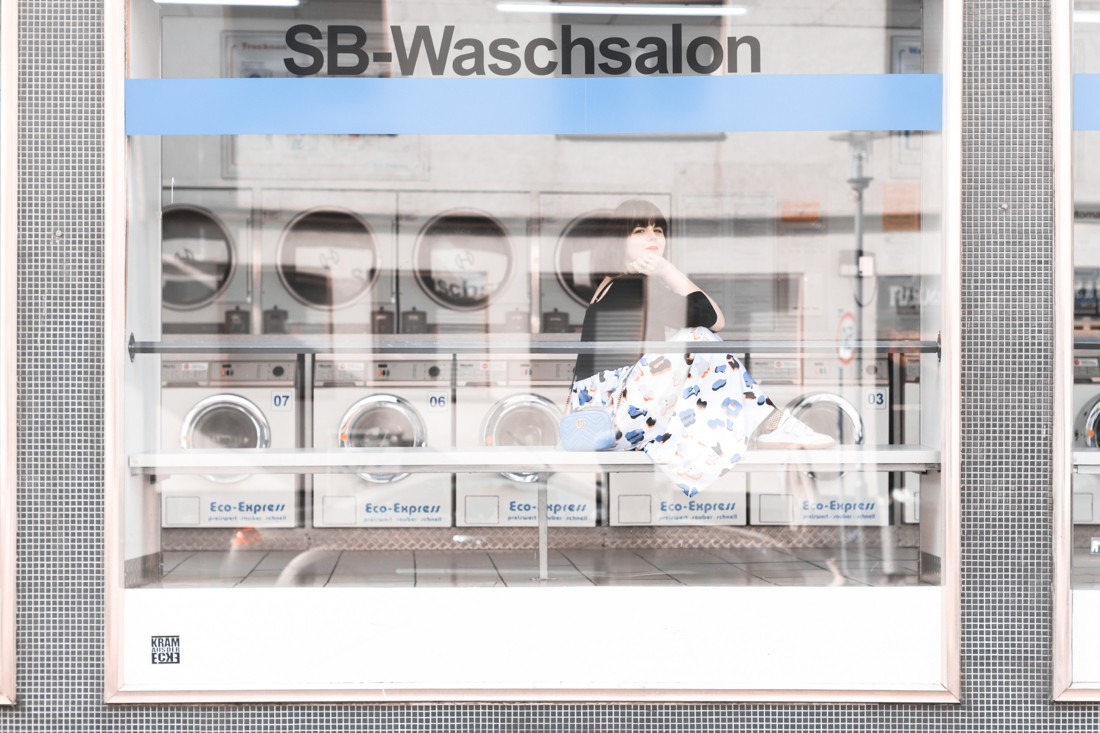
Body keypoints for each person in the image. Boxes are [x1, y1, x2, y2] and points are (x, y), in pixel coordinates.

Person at [567, 199, 834, 498]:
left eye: (658, 230)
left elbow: (712, 317)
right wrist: (667, 269)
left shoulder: (612, 283)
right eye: (639, 231)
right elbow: (715, 319)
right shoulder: (632, 285)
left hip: (602, 416)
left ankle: (765, 424)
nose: (652, 237)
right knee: (699, 337)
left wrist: (663, 271)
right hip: (614, 416)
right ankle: (770, 424)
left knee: (699, 339)